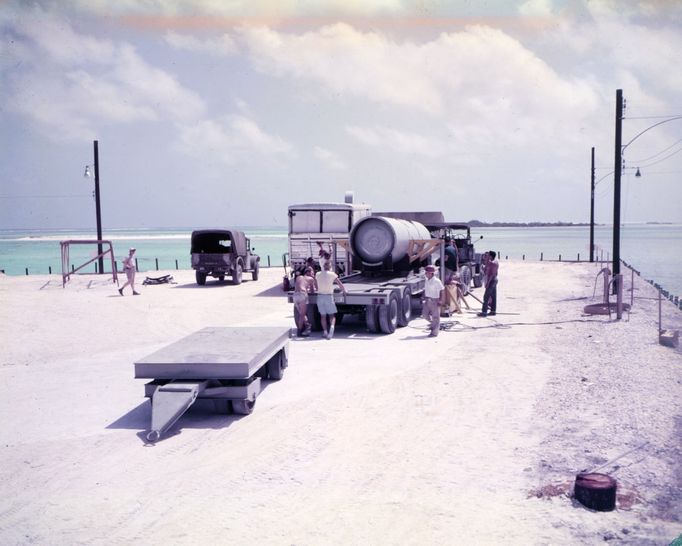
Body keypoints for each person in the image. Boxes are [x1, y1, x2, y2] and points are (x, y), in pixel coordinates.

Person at [314, 261, 347, 339]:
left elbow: (315, 285)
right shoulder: (332, 274)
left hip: (320, 296)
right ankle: (331, 332)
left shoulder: (318, 274)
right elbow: (339, 283)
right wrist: (344, 291)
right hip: (328, 296)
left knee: (323, 316)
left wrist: (317, 289)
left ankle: (325, 332)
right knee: (332, 316)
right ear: (330, 267)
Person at [422, 264, 445, 337]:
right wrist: (423, 297)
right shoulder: (427, 280)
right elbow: (426, 289)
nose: (425, 274)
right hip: (428, 299)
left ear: (431, 273)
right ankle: (434, 324)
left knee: (435, 317)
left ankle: (434, 333)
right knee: (425, 314)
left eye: (426, 273)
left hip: (435, 300)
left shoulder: (436, 281)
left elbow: (442, 290)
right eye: (425, 272)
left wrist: (441, 300)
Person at [293, 266, 315, 337]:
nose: (313, 274)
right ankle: (299, 331)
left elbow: (298, 285)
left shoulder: (298, 277)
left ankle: (307, 325)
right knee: (302, 315)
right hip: (302, 295)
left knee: (302, 314)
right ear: (308, 272)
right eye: (312, 272)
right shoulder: (311, 278)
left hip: (295, 296)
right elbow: (312, 291)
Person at [478, 251, 499, 317]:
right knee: (493, 296)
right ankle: (493, 311)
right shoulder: (493, 262)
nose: (486, 256)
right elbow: (486, 270)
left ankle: (484, 312)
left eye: (488, 255)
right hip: (494, 280)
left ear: (491, 256)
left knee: (486, 297)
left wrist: (488, 283)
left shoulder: (492, 263)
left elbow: (491, 275)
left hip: (492, 280)